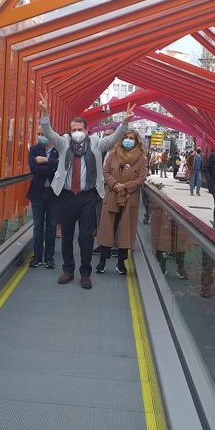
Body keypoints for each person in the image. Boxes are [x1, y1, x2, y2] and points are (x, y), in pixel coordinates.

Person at [38, 93, 135, 289]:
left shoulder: (97, 144)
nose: (76, 133)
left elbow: (115, 138)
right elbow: (49, 133)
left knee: (85, 237)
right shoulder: (64, 142)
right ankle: (67, 270)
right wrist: (45, 112)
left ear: (87, 130)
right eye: (73, 130)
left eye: (80, 129)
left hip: (88, 197)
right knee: (66, 236)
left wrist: (124, 123)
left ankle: (85, 273)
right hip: (66, 196)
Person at [94, 129, 148, 275]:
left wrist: (125, 186)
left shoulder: (141, 159)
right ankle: (102, 261)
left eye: (132, 138)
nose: (128, 140)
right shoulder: (113, 154)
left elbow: (141, 178)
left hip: (130, 198)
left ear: (137, 142)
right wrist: (114, 184)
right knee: (107, 228)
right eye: (126, 137)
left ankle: (121, 263)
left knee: (125, 230)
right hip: (112, 195)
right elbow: (105, 172)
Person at [26, 129, 60, 268]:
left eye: (43, 133)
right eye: (38, 134)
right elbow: (33, 168)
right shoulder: (34, 149)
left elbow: (62, 167)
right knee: (38, 226)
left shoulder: (59, 149)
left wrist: (45, 161)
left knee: (51, 227)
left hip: (54, 193)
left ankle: (49, 257)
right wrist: (51, 166)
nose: (41, 136)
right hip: (37, 193)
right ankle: (37, 256)